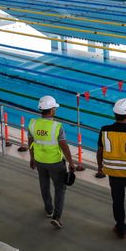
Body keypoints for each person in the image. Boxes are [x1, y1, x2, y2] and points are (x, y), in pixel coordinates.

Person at [97, 98, 126, 239]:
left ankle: (120, 226)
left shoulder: (104, 130)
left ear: (114, 114)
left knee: (117, 200)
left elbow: (100, 151)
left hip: (113, 172)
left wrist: (100, 166)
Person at [28, 95, 76, 230]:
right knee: (60, 189)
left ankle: (49, 210)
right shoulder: (57, 126)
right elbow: (64, 146)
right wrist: (71, 162)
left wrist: (32, 158)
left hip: (40, 161)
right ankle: (56, 217)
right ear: (52, 110)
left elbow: (30, 142)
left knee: (44, 186)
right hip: (55, 163)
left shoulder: (33, 123)